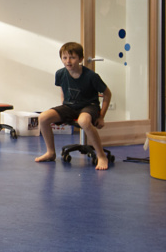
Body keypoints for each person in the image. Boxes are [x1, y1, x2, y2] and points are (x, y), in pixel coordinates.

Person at [35, 41, 112, 171]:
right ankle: (51, 152)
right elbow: (62, 90)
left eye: (72, 57)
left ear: (81, 59)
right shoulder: (60, 74)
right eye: (64, 58)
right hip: (70, 106)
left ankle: (101, 156)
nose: (68, 61)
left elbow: (107, 94)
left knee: (83, 121)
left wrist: (101, 117)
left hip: (89, 106)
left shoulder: (91, 76)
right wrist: (62, 109)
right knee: (43, 117)